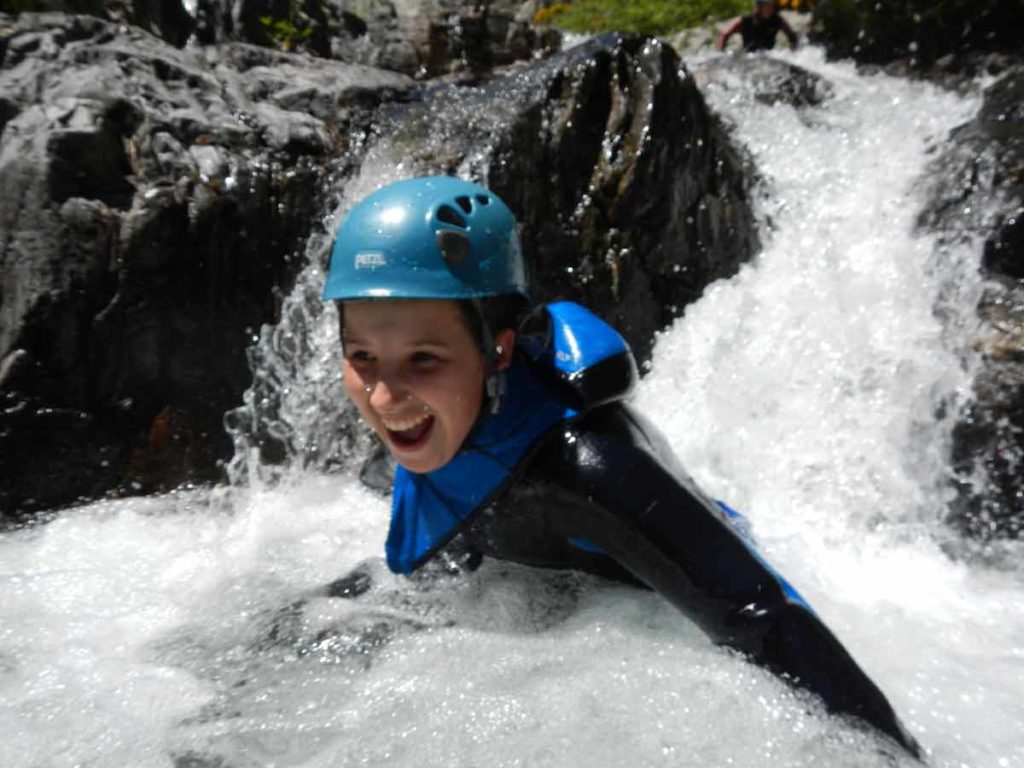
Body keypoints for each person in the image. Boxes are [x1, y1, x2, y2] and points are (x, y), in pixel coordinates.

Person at [321, 175, 921, 758]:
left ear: (498, 349)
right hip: (527, 578)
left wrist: (895, 756)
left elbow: (758, 616)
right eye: (363, 358)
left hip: (654, 590)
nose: (382, 399)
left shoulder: (588, 469)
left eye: (423, 360)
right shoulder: (423, 427)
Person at [718, 0, 799, 52]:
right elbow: (725, 35)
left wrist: (794, 51)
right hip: (750, 56)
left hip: (770, 55)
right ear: (760, 7)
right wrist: (721, 52)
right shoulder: (746, 21)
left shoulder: (777, 20)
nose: (771, 9)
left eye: (772, 6)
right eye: (768, 6)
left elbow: (792, 35)